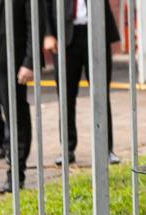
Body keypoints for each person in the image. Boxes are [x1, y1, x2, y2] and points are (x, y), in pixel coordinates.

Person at [44, 0, 121, 165]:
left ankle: (106, 149)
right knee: (65, 96)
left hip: (96, 31)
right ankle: (67, 149)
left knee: (101, 95)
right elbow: (44, 4)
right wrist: (48, 34)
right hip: (64, 36)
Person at [0, 0, 51, 193]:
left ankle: (16, 173)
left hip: (11, 62)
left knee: (16, 117)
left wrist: (30, 62)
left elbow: (34, 23)